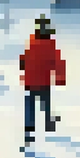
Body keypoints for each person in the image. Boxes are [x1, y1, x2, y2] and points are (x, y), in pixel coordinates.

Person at [19, 16, 66, 149]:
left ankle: (28, 132)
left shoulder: (32, 41)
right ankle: (48, 122)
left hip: (30, 80)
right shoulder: (51, 45)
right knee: (46, 101)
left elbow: (24, 58)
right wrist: (60, 78)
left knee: (30, 106)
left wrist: (23, 68)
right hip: (43, 80)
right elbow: (57, 62)